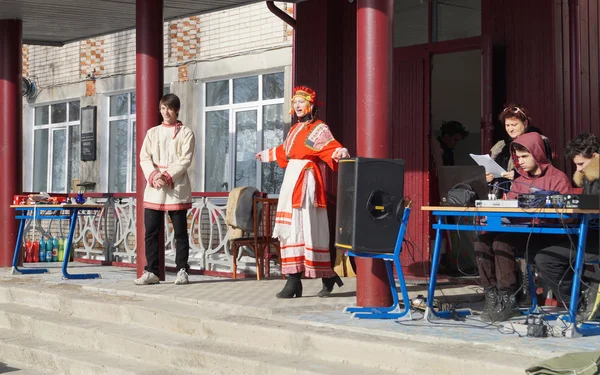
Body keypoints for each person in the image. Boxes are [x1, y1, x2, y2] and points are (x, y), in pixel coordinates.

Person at [255, 86, 350, 298]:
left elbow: (329, 146)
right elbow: (285, 150)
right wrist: (267, 154)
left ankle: (321, 276)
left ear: (311, 104)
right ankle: (295, 279)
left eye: (301, 101)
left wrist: (339, 151)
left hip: (306, 180)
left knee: (306, 225)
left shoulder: (319, 128)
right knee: (291, 227)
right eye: (294, 102)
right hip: (291, 178)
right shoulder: (294, 129)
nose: (297, 106)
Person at [475, 132, 573, 322]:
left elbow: (569, 216)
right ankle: (492, 296)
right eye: (518, 157)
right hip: (519, 233)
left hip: (546, 236)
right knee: (482, 240)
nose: (520, 161)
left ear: (537, 153)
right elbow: (509, 205)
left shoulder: (558, 178)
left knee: (501, 242)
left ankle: (509, 299)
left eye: (525, 156)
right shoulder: (519, 180)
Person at [535, 132, 600, 321]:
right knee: (544, 257)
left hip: (594, 240)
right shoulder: (589, 177)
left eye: (581, 164)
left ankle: (588, 294)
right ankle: (578, 302)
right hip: (587, 235)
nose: (578, 170)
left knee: (547, 257)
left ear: (595, 156)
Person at [134, 93, 195, 286]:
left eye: (169, 108)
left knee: (179, 233)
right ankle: (151, 271)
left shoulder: (186, 132)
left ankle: (182, 270)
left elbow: (185, 160)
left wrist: (167, 176)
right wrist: (153, 176)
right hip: (155, 187)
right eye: (162, 108)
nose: (166, 112)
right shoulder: (153, 132)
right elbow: (144, 157)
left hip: (176, 185)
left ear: (177, 110)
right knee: (151, 231)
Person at [486, 104, 553, 188]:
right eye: (507, 125)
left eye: (514, 125)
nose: (510, 129)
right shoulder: (500, 146)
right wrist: (488, 177)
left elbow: (545, 168)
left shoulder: (539, 141)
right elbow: (489, 168)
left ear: (525, 123)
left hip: (528, 189)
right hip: (501, 193)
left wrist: (518, 174)